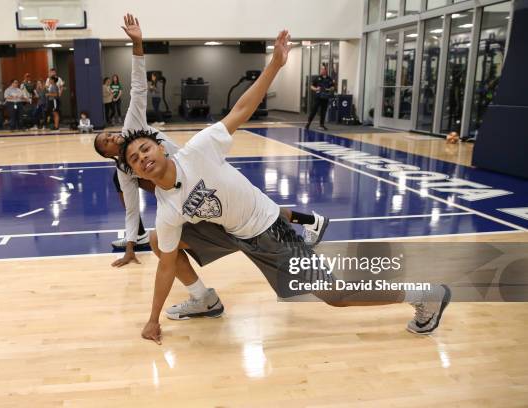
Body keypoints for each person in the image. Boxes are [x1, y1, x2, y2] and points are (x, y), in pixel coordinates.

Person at [116, 26, 451, 344]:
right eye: (134, 159)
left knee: (335, 295)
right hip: (232, 231)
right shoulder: (167, 208)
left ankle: (425, 294)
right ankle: (204, 300)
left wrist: (274, 64)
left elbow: (242, 108)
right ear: (137, 174)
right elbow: (164, 267)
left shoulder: (199, 150)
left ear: (160, 146)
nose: (142, 157)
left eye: (145, 148)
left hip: (270, 230)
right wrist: (153, 319)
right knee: (162, 243)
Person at [94, 15, 328, 269]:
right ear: (109, 155)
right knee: (233, 219)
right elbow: (131, 208)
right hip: (177, 195)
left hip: (196, 172)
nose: (112, 136)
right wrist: (130, 248)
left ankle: (306, 230)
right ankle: (307, 225)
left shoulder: (133, 125)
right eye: (106, 140)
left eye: (109, 133)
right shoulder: (125, 170)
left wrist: (138, 45)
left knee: (251, 214)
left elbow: (138, 87)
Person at [305, 64, 335, 131]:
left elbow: (333, 87)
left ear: (325, 70)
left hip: (325, 97)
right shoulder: (317, 78)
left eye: (322, 69)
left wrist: (330, 89)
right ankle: (308, 123)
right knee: (314, 110)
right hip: (318, 97)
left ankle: (321, 125)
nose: (321, 70)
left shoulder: (329, 79)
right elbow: (311, 86)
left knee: (323, 111)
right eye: (321, 69)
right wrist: (316, 89)